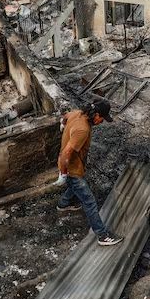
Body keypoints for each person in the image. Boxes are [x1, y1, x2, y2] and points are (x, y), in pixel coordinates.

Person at [56, 100, 123, 246]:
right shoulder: (83, 129)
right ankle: (102, 236)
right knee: (89, 201)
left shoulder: (77, 113)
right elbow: (66, 153)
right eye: (102, 118)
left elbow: (65, 116)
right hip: (71, 168)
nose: (101, 122)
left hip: (74, 165)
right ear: (96, 115)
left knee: (74, 186)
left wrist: (63, 124)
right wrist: (63, 173)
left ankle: (63, 204)